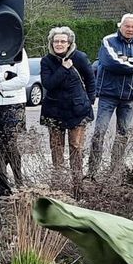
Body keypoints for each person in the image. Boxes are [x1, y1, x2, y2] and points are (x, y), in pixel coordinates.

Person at [89, 13, 133, 179]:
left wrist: (127, 59)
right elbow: (111, 63)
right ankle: (92, 172)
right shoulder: (108, 40)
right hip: (108, 94)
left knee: (123, 134)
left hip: (130, 96)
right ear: (121, 25)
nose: (130, 29)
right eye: (127, 26)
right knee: (99, 132)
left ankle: (115, 170)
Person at [39, 26, 95, 191]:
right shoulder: (46, 61)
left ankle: (78, 185)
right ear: (51, 42)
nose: (59, 44)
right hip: (54, 110)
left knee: (76, 147)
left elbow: (91, 81)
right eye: (56, 41)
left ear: (69, 42)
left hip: (77, 110)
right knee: (56, 148)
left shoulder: (80, 57)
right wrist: (64, 68)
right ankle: (59, 185)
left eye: (63, 41)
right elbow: (48, 84)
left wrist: (89, 101)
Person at [0, 48, 31, 194]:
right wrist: (4, 76)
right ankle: (2, 183)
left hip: (14, 103)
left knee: (12, 143)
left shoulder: (18, 50)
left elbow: (23, 79)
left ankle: (19, 181)